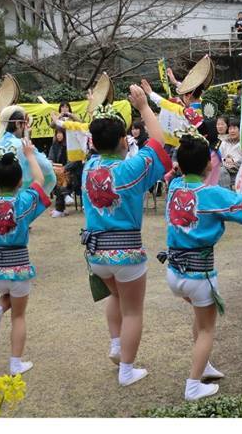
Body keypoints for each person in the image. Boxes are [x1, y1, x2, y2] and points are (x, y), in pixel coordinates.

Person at [80, 88, 170, 387]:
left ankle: (117, 346)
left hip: (96, 254)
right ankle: (127, 370)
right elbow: (159, 142)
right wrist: (144, 107)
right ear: (123, 140)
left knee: (115, 296)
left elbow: (99, 138)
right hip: (126, 252)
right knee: (133, 311)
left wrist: (97, 108)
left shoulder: (88, 168)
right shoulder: (130, 168)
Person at [160, 131, 242, 401]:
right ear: (209, 165)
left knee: (200, 321)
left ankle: (203, 365)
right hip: (199, 274)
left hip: (174, 273)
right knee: (206, 328)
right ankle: (193, 385)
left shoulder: (174, 188)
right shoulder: (211, 193)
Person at [0, 139, 50, 376]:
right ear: (20, 182)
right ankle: (16, 363)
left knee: (7, 298)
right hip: (19, 267)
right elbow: (39, 181)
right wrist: (29, 155)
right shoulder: (23, 201)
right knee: (19, 315)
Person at [0, 105, 57, 299]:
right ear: (19, 123)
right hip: (9, 197)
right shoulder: (20, 144)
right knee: (9, 227)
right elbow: (44, 172)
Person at [48, 127, 70, 218]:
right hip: (57, 168)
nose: (58, 135)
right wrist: (51, 163)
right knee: (53, 175)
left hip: (68, 169)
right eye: (57, 133)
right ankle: (65, 196)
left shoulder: (69, 146)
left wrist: (65, 167)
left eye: (60, 133)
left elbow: (72, 161)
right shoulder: (54, 146)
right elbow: (50, 158)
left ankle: (64, 196)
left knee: (60, 175)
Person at [217, 117, 242, 190]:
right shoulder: (224, 143)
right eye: (230, 129)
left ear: (240, 129)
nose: (232, 131)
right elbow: (218, 157)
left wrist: (233, 162)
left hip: (238, 172)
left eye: (234, 128)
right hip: (224, 171)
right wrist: (225, 160)